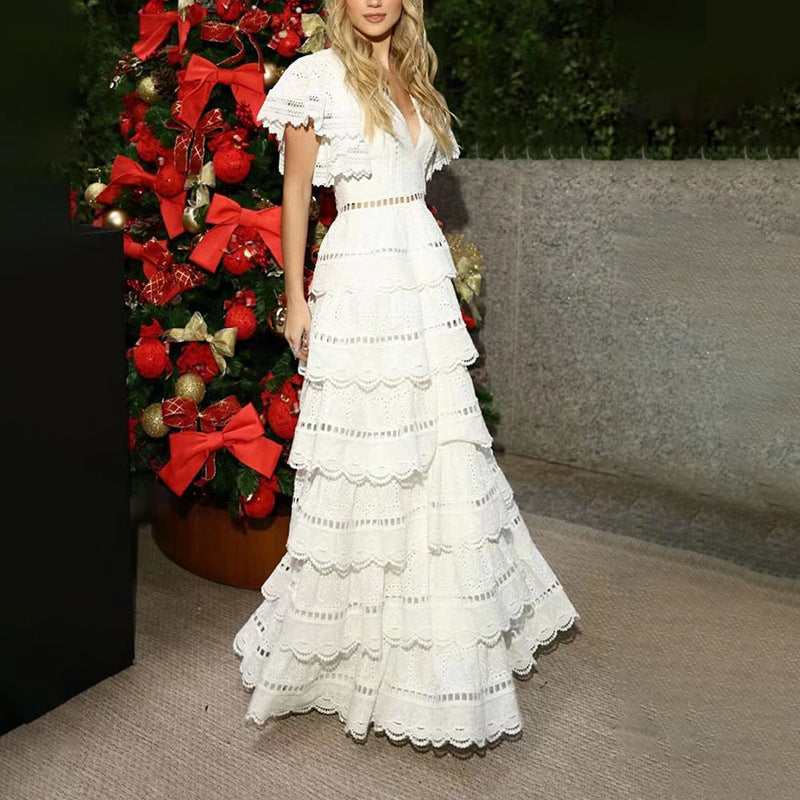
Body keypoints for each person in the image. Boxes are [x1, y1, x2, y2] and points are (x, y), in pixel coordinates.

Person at [232, 0, 580, 754]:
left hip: (418, 275)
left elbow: (423, 192)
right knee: (368, 459)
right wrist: (294, 296)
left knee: (442, 453)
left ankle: (440, 646)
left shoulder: (418, 78)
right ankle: (355, 650)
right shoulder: (313, 78)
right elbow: (296, 194)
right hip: (358, 277)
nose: (375, 0)